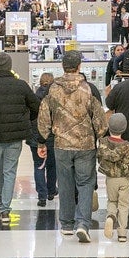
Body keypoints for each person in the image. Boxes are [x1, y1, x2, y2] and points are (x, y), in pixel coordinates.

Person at [37, 50, 107, 243]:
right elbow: (100, 121)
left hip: (61, 144)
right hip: (85, 146)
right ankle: (83, 224)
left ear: (62, 67)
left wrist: (42, 140)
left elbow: (44, 117)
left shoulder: (53, 89)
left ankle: (67, 224)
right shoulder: (90, 89)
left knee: (65, 183)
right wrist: (99, 136)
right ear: (79, 67)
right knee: (85, 183)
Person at [0, 53, 39, 223]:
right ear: (10, 66)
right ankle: (5, 210)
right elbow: (36, 106)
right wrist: (26, 118)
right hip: (15, 136)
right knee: (9, 171)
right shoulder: (21, 85)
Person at [98, 113, 129, 243]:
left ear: (109, 127)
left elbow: (100, 159)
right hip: (124, 180)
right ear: (124, 128)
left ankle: (111, 217)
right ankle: (122, 233)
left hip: (110, 179)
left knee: (112, 201)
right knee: (123, 205)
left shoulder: (103, 143)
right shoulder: (127, 146)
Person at [27, 72, 57, 207]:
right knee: (52, 165)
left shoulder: (33, 97)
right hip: (53, 137)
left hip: (35, 137)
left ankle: (42, 196)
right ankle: (51, 191)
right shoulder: (56, 98)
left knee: (38, 166)